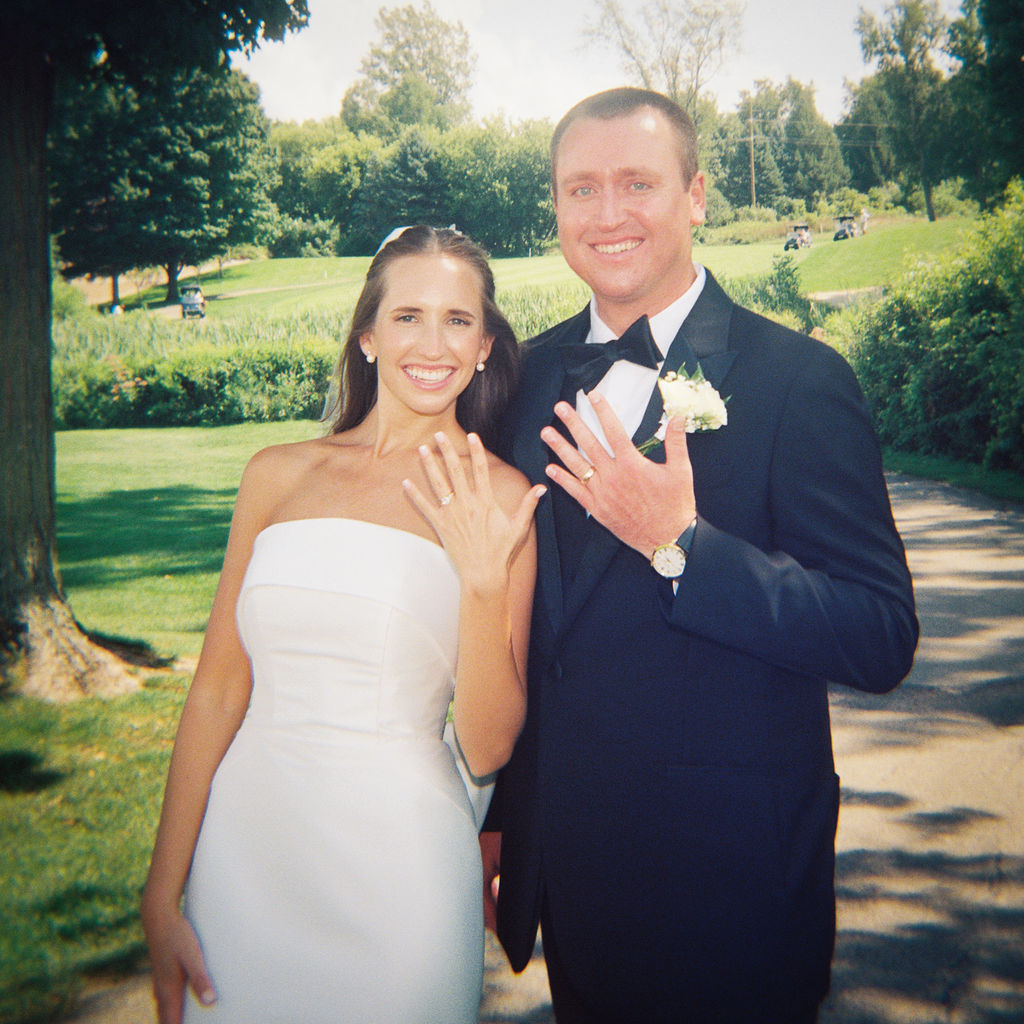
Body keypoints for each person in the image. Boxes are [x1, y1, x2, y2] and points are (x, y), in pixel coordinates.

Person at [480, 88, 919, 1023]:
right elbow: (524, 628)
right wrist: (502, 820)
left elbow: (880, 634)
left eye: (638, 183)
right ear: (555, 207)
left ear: (696, 196)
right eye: (580, 189)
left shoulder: (799, 380)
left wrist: (682, 546)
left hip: (734, 885)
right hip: (578, 877)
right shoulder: (522, 382)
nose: (608, 215)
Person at [141, 225, 545, 1024]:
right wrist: (161, 893)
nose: (433, 343)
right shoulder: (275, 475)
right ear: (366, 335)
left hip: (403, 870)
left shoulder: (502, 498)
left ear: (487, 347)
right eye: (408, 316)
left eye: (459, 320)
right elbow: (220, 691)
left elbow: (490, 745)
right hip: (247, 854)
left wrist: (479, 580)